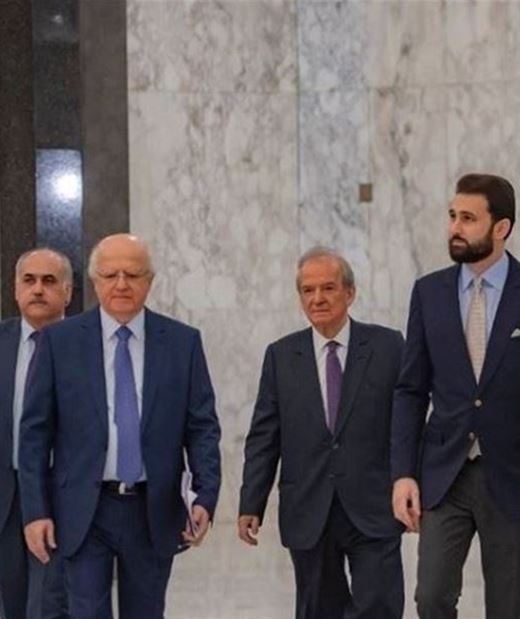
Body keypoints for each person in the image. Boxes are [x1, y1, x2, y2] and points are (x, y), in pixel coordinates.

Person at [391, 173, 520, 618]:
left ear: (501, 227)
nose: (455, 228)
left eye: (468, 218)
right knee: (431, 598)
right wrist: (403, 474)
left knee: (508, 607)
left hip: (516, 476)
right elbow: (411, 389)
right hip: (444, 472)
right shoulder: (428, 292)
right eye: (452, 216)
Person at [18, 234, 221, 619]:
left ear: (150, 280)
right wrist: (35, 511)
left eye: (133, 274)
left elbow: (202, 428)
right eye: (111, 275)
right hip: (82, 510)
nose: (122, 284)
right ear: (95, 282)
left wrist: (204, 496)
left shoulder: (182, 343)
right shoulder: (60, 342)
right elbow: (34, 435)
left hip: (152, 509)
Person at [238, 247, 405, 618]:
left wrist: (410, 483)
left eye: (328, 288)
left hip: (374, 504)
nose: (318, 298)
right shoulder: (281, 356)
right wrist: (251, 502)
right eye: (308, 290)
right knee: (318, 610)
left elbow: (407, 423)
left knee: (379, 605)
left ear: (350, 293)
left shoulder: (388, 346)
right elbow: (264, 437)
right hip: (308, 506)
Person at [1, 249, 71, 619]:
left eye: (49, 281)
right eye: (29, 281)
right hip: (6, 498)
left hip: (63, 494)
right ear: (15, 290)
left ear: (68, 292)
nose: (38, 289)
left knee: (49, 606)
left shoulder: (87, 345)